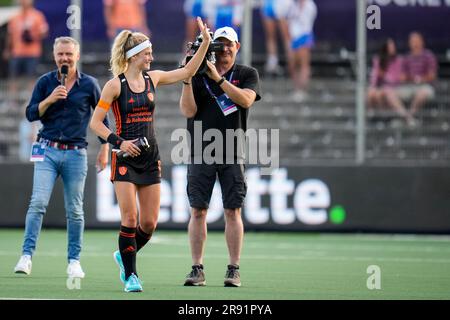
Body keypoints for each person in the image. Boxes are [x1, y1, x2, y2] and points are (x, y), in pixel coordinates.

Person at [89, 17, 211, 293]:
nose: (151, 57)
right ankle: (131, 275)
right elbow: (95, 123)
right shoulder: (114, 86)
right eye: (147, 53)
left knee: (149, 223)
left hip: (150, 157)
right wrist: (119, 142)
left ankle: (124, 255)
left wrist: (204, 41)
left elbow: (188, 70)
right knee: (129, 219)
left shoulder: (153, 78)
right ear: (134, 56)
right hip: (124, 157)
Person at [13, 37, 110, 278]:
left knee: (75, 210)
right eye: (60, 54)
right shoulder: (45, 82)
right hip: (46, 150)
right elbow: (30, 114)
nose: (64, 58)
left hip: (75, 153)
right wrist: (49, 99)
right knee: (38, 203)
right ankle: (26, 256)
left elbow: (101, 119)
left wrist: (105, 148)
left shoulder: (90, 84)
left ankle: (74, 261)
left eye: (68, 54)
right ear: (55, 56)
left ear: (77, 56)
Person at [179, 26, 261, 287]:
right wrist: (187, 75)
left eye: (229, 44)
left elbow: (246, 100)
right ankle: (196, 268)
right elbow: (188, 111)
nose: (224, 48)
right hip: (201, 148)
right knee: (198, 211)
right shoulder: (198, 73)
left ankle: (233, 268)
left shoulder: (247, 73)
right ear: (211, 47)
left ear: (237, 47)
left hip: (232, 149)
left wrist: (218, 79)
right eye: (219, 44)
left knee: (232, 210)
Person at [3, 0, 48, 101]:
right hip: (17, 52)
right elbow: (10, 35)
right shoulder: (15, 17)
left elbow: (44, 32)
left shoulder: (37, 16)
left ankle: (30, 101)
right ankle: (12, 100)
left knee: (31, 77)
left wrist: (32, 36)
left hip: (32, 52)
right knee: (13, 77)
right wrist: (7, 49)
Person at [368, 38, 414, 123]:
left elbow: (397, 79)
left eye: (393, 46)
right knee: (373, 93)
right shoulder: (377, 60)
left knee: (385, 92)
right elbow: (374, 78)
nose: (392, 48)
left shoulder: (399, 60)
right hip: (381, 88)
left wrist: (384, 76)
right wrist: (373, 86)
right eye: (390, 46)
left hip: (394, 88)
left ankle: (404, 116)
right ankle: (377, 117)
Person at [396, 32, 438, 119]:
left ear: (422, 42)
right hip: (409, 86)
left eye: (416, 41)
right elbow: (402, 77)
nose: (414, 43)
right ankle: (402, 115)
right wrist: (412, 79)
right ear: (409, 43)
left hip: (425, 86)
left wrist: (419, 79)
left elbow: (432, 76)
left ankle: (409, 116)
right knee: (391, 94)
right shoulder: (406, 58)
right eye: (412, 41)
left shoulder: (429, 56)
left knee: (422, 93)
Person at [287, 0, 317, 102]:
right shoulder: (293, 5)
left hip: (304, 36)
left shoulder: (310, 6)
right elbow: (289, 21)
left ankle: (302, 89)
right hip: (294, 38)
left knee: (304, 64)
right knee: (293, 65)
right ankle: (296, 88)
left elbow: (306, 23)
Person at [260, 0, 293, 76]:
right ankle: (272, 63)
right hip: (268, 3)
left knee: (286, 36)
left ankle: (291, 63)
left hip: (282, 4)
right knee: (270, 36)